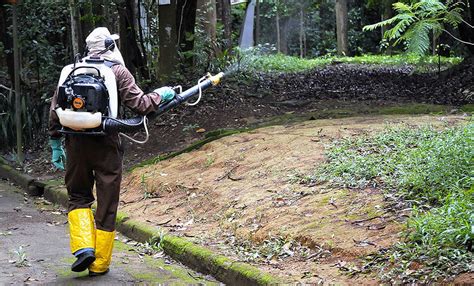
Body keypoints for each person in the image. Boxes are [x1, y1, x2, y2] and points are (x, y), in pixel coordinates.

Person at [48, 27, 175, 276]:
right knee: (107, 203)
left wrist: (55, 142)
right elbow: (141, 105)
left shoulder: (71, 70)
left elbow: (55, 110)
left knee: (78, 196)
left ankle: (84, 247)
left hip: (75, 143)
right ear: (109, 46)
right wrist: (162, 94)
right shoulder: (117, 71)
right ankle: (99, 264)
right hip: (106, 143)